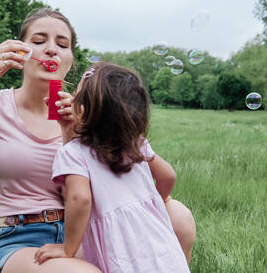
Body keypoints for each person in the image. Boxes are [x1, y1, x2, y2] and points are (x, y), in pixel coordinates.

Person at [0, 8, 195, 273]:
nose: (51, 49)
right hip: (8, 239)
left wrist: (71, 135)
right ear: (20, 52)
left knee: (179, 218)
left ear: (71, 60)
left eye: (62, 44)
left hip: (77, 232)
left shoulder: (86, 118)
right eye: (39, 41)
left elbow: (88, 193)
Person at [34, 62, 190, 273]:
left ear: (83, 110)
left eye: (76, 95)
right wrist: (154, 203)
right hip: (163, 251)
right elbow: (168, 176)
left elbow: (79, 199)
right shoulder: (137, 144)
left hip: (121, 254)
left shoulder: (72, 153)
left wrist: (68, 248)